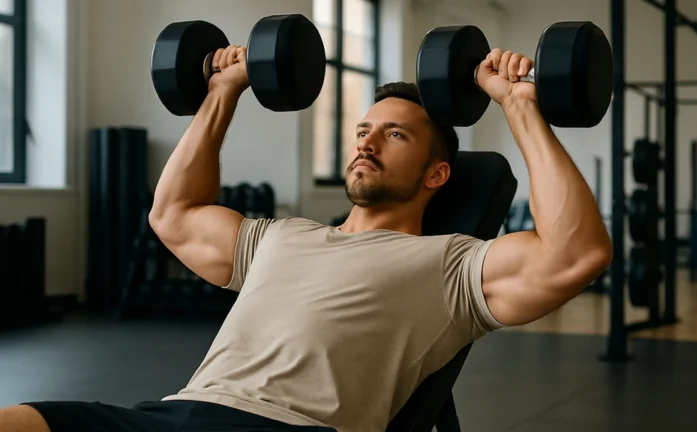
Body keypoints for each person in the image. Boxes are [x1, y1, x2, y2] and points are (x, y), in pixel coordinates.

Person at [0, 43, 612, 432]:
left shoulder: (451, 265)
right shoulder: (278, 236)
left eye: (395, 135)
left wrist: (519, 104)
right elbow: (175, 212)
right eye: (364, 129)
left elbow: (574, 253)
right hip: (168, 414)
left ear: (438, 174)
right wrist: (222, 91)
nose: (366, 142)